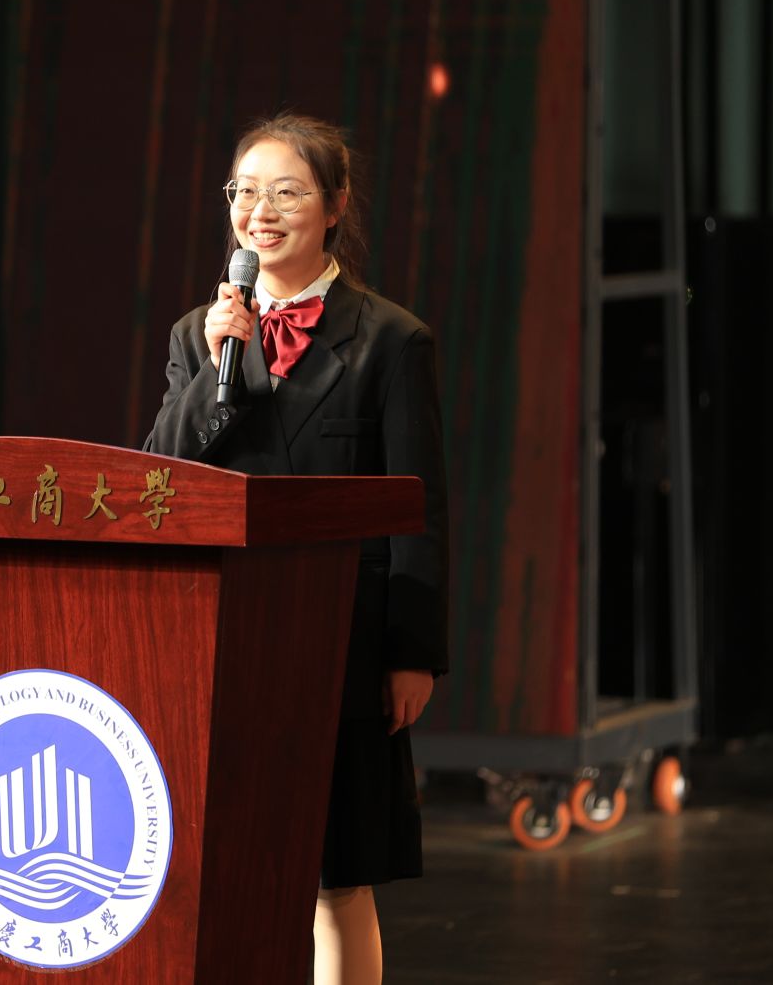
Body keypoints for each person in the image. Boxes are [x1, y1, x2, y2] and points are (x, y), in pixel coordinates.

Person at [142, 113, 449, 985]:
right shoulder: (197, 334)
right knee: (222, 866)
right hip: (222, 638)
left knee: (335, 874)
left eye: (287, 192)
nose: (260, 212)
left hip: (340, 643)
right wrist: (218, 366)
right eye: (245, 192)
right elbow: (159, 476)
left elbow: (420, 508)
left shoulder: (390, 339)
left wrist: (412, 653)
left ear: (335, 204)